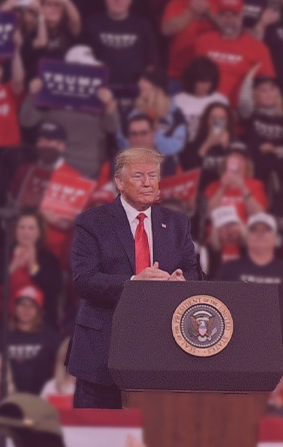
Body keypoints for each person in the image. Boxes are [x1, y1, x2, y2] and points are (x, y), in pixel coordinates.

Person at [67, 147, 201, 408]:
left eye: (153, 175)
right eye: (139, 176)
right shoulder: (93, 222)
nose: (148, 182)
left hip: (162, 349)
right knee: (96, 437)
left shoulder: (177, 224)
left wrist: (180, 283)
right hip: (103, 350)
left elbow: (194, 271)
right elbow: (84, 279)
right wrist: (133, 284)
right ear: (119, 182)